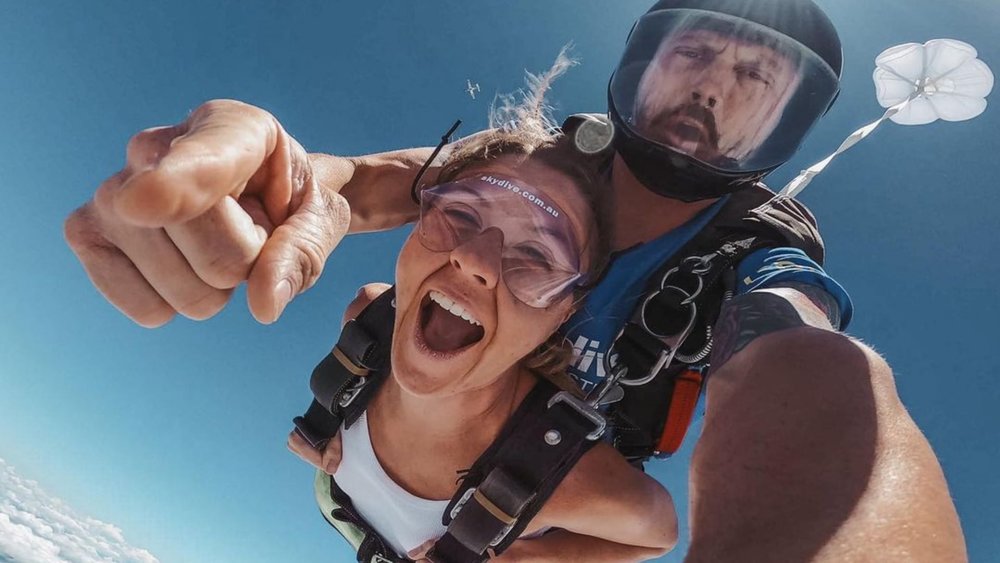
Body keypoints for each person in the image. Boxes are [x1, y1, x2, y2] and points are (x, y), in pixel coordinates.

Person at [64, 0, 966, 560]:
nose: (713, 91)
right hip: (413, 462)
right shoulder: (545, 168)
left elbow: (804, 367)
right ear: (642, 65)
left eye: (756, 79)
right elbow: (376, 179)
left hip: (536, 491)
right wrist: (281, 183)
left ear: (786, 126)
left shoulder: (753, 260)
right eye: (695, 54)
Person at [287, 77, 678, 562]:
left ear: (564, 311)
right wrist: (324, 429)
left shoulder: (559, 471)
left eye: (536, 254)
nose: (475, 259)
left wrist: (536, 558)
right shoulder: (369, 317)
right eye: (463, 216)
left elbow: (659, 532)